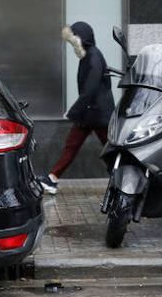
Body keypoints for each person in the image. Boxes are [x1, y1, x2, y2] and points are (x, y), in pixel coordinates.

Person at [37, 21, 115, 194]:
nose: (72, 46)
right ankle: (52, 178)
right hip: (89, 114)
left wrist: (73, 111)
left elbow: (90, 90)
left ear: (82, 40)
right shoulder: (88, 55)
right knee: (73, 146)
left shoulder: (93, 57)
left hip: (98, 114)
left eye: (73, 41)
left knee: (110, 150)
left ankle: (121, 181)